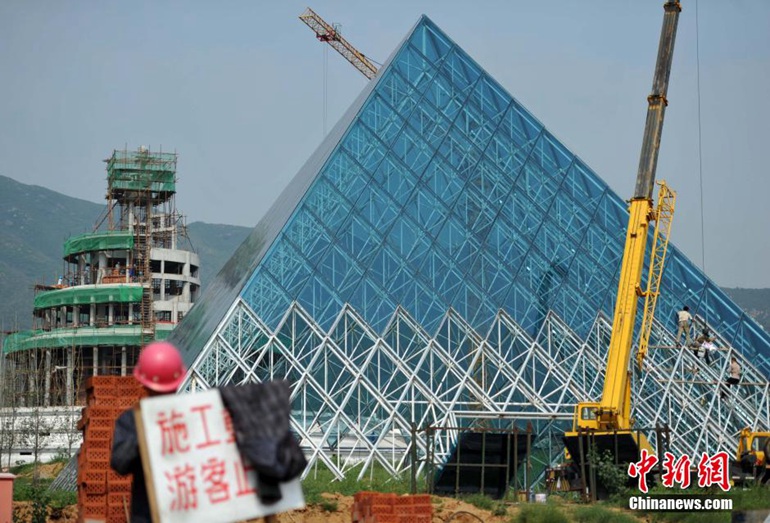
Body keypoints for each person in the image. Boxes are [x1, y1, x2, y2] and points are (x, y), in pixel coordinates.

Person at [110, 342, 186, 523]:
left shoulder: (132, 420)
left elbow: (119, 463)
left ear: (144, 383)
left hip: (147, 515)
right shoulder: (194, 417)